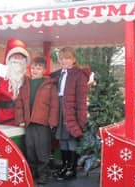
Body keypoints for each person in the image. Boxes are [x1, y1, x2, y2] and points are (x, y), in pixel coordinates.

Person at [15, 56, 59, 184]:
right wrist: (20, 119)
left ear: (44, 70)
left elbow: (54, 105)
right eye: (33, 68)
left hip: (43, 123)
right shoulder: (25, 84)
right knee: (30, 148)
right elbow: (19, 103)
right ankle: (32, 173)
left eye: (38, 68)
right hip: (29, 123)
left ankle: (43, 174)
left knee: (42, 150)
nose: (35, 70)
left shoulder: (49, 85)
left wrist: (52, 122)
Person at [51, 47, 90, 181]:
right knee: (62, 139)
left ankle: (71, 169)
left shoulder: (79, 75)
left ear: (73, 60)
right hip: (59, 110)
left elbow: (81, 101)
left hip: (71, 112)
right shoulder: (57, 74)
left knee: (71, 139)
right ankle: (64, 166)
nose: (64, 61)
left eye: (67, 58)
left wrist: (81, 121)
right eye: (61, 58)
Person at [0, 38, 30, 125]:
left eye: (21, 56)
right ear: (9, 58)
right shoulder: (0, 77)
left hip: (25, 121)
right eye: (15, 55)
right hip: (6, 121)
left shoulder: (27, 80)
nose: (18, 59)